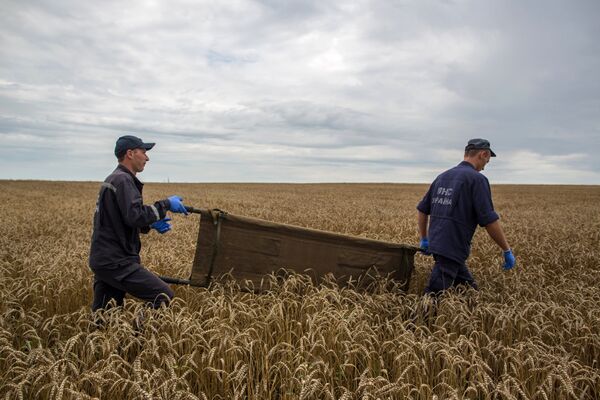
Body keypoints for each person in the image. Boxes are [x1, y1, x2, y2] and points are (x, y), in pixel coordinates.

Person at [89, 135, 189, 312]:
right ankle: (138, 338)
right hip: (116, 261)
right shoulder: (123, 180)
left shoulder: (114, 179)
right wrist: (165, 204)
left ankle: (112, 339)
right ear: (130, 153)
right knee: (163, 296)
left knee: (105, 317)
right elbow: (134, 215)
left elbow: (121, 218)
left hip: (105, 259)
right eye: (143, 152)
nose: (147, 158)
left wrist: (149, 225)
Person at [416, 138, 516, 295]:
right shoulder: (477, 180)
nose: (484, 168)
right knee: (434, 293)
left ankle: (473, 315)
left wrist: (425, 239)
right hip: (453, 245)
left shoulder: (443, 176)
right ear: (483, 154)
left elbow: (422, 209)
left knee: (469, 291)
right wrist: (506, 249)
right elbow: (489, 221)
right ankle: (418, 319)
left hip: (438, 244)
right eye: (487, 162)